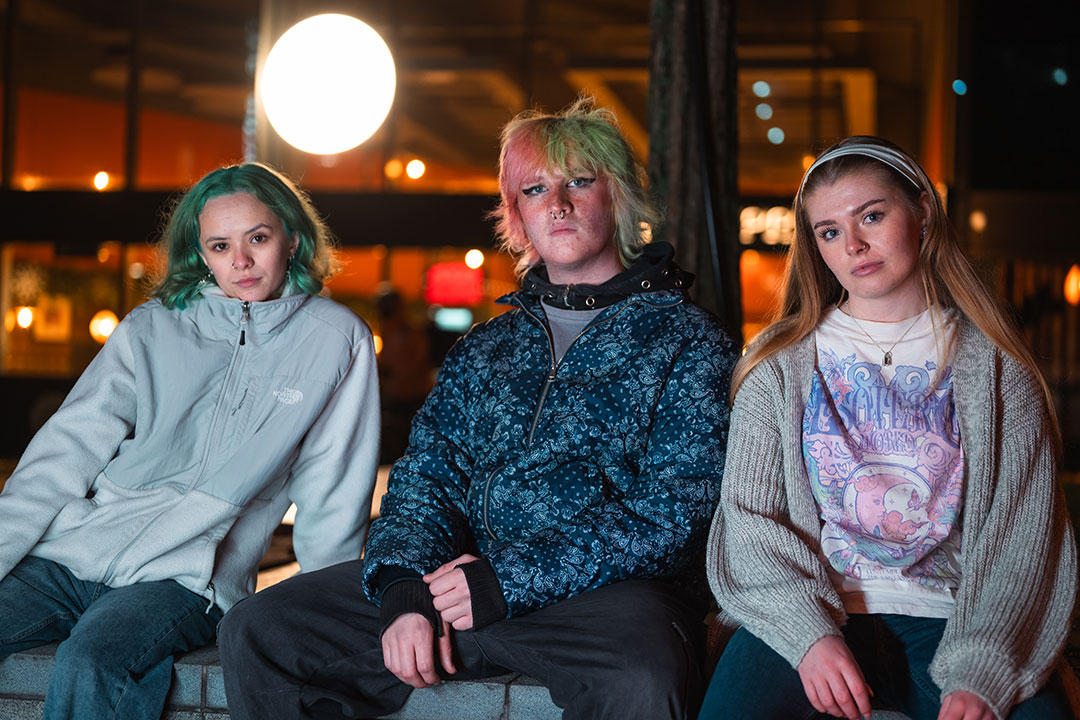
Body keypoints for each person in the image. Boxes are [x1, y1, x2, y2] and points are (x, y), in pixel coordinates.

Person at [218, 97, 737, 720]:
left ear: (618, 195)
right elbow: (424, 481)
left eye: (579, 181)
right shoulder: (486, 348)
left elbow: (678, 512)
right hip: (458, 587)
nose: (559, 203)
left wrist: (505, 582)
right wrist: (406, 589)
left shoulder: (688, 340)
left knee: (643, 679)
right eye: (536, 189)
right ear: (516, 215)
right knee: (261, 630)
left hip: (607, 602)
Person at [699, 136, 1077, 720]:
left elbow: (1023, 539)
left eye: (871, 216)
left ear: (922, 211)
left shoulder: (998, 370)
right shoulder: (777, 366)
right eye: (828, 231)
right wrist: (808, 635)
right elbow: (750, 522)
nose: (853, 245)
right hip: (817, 617)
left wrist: (980, 671)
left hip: (955, 620)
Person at [0, 163, 380, 719]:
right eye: (221, 245)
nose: (241, 261)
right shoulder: (152, 326)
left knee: (92, 662)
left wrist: (326, 618)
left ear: (291, 238)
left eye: (258, 238)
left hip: (185, 578)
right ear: (202, 254)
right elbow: (67, 446)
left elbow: (334, 489)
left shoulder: (335, 339)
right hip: (72, 552)